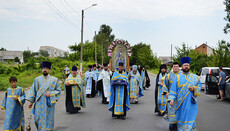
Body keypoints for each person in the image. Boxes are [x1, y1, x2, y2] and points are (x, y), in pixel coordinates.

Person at [168, 57, 202, 131]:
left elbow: (199, 86)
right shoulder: (177, 77)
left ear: (189, 66)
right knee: (181, 121)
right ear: (182, 66)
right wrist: (171, 99)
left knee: (190, 121)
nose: (186, 66)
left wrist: (194, 88)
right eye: (184, 65)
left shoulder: (195, 77)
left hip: (191, 104)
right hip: (180, 105)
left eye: (188, 65)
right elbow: (173, 90)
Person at [26, 61, 61, 131]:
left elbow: (58, 91)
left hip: (49, 105)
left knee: (48, 121)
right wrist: (31, 102)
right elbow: (33, 91)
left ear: (49, 70)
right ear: (42, 69)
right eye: (44, 68)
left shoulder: (54, 80)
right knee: (37, 120)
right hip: (39, 103)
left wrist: (50, 93)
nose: (45, 70)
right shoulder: (37, 80)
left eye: (47, 68)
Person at [163, 62, 180, 131]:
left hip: (180, 97)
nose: (176, 68)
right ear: (172, 67)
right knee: (172, 112)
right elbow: (165, 85)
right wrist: (166, 92)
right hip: (171, 97)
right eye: (174, 66)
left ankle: (179, 126)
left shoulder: (181, 75)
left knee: (179, 112)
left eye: (177, 66)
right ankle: (172, 127)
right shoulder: (168, 75)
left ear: (179, 67)